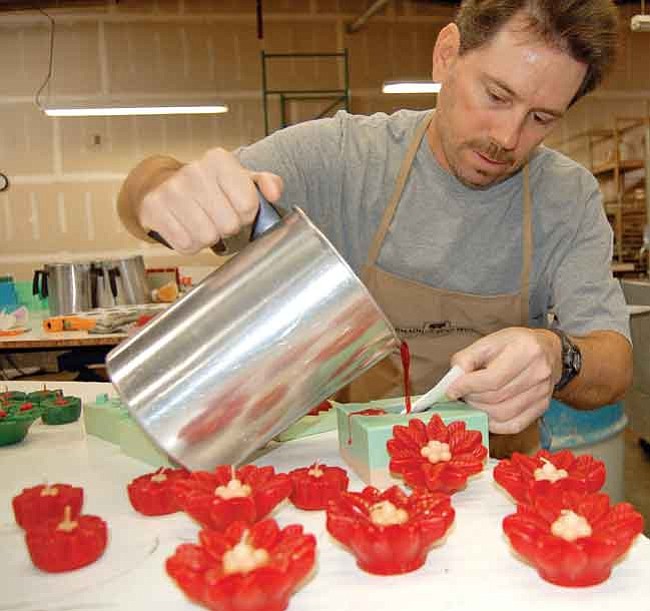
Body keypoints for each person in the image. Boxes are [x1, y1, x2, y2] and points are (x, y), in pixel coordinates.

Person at [117, 0, 632, 457]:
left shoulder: (568, 196)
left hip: (492, 487)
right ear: (447, 53)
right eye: (497, 95)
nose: (507, 137)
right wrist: (161, 189)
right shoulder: (341, 159)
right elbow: (140, 190)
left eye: (541, 118)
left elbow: (615, 363)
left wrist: (557, 356)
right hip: (343, 479)